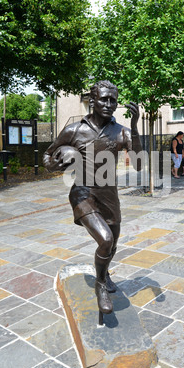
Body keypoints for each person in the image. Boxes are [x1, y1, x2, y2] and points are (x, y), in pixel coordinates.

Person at [43, 80, 142, 316]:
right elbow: (47, 157)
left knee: (113, 244)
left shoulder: (122, 132)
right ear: (92, 100)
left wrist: (135, 127)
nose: (109, 104)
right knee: (106, 240)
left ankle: (104, 272)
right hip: (83, 193)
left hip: (109, 195)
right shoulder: (74, 130)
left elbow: (139, 164)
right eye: (103, 99)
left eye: (113, 100)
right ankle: (100, 285)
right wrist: (55, 164)